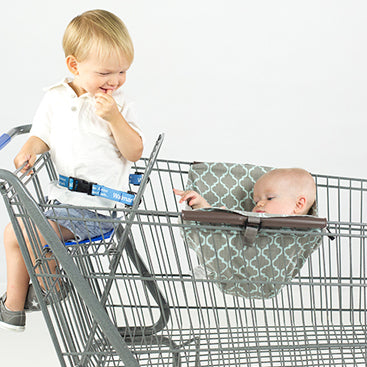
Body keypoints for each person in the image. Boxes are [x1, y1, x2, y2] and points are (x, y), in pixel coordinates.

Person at [0, 9, 144, 332]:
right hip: (60, 203)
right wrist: (30, 149)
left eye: (122, 72)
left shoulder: (119, 105)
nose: (115, 81)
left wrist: (114, 119)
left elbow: (134, 151)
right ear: (74, 66)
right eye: (106, 72)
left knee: (25, 232)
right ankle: (43, 290)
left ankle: (13, 306)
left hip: (96, 210)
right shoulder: (54, 99)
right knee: (14, 233)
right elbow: (41, 135)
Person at [174, 168, 316, 215]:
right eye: (256, 201)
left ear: (298, 205)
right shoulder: (252, 224)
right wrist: (200, 204)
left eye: (270, 198)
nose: (259, 204)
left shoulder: (294, 242)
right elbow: (217, 231)